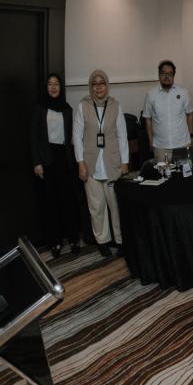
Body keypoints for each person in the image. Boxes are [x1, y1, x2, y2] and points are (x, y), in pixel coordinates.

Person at [74, 70, 129, 257]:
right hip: (90, 165)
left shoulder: (115, 105)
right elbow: (77, 137)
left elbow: (122, 136)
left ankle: (120, 240)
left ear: (107, 85)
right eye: (95, 83)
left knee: (115, 205)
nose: (98, 86)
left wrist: (125, 162)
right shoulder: (83, 106)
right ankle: (102, 240)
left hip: (112, 162)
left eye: (102, 83)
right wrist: (80, 163)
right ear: (91, 86)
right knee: (96, 207)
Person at [31, 73, 83, 257]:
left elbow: (72, 136)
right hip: (46, 159)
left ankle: (74, 239)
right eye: (50, 84)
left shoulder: (67, 109)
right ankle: (55, 242)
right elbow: (34, 138)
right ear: (46, 88)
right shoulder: (40, 108)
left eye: (56, 84)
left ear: (61, 88)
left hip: (64, 159)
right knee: (50, 203)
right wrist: (37, 162)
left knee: (67, 201)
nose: (53, 87)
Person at [142, 60, 193, 159]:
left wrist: (191, 135)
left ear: (174, 76)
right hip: (160, 147)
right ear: (159, 75)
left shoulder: (183, 92)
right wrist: (150, 141)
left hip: (182, 144)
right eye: (163, 73)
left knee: (184, 174)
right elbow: (147, 118)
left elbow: (190, 113)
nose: (166, 76)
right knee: (163, 174)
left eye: (170, 74)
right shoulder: (151, 95)